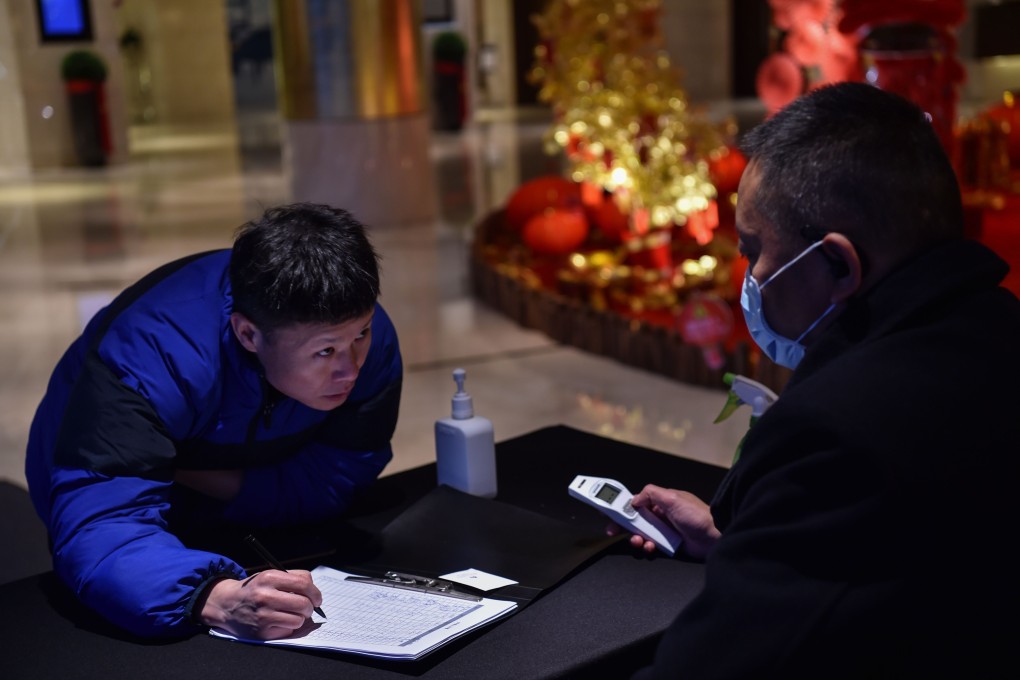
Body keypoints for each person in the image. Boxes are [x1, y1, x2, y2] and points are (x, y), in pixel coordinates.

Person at [620, 82, 1020, 678]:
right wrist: (746, 535)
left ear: (838, 264)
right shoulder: (998, 329)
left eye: (753, 250)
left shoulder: (838, 432)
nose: (749, 278)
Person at [25, 203, 403, 640]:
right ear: (247, 334)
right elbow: (101, 530)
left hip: (236, 515)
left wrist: (182, 470)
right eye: (324, 352)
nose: (351, 368)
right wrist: (215, 598)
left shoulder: (358, 331)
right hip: (99, 488)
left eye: (361, 334)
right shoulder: (151, 358)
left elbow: (339, 475)